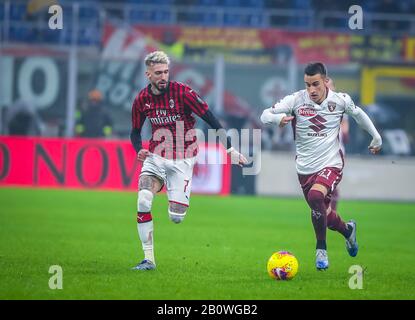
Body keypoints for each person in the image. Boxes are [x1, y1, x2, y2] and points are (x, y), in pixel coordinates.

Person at [130, 51, 248, 270]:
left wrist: (230, 149)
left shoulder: (183, 93)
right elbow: (135, 132)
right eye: (158, 73)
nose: (163, 76)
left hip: (183, 159)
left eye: (166, 71)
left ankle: (171, 188)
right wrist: (138, 149)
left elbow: (211, 119)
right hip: (156, 157)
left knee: (176, 217)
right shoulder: (142, 100)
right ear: (148, 74)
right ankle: (148, 260)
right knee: (144, 200)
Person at [260, 62, 382, 270]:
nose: (311, 90)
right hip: (305, 168)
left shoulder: (340, 100)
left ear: (326, 81)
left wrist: (376, 137)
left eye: (316, 84)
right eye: (307, 85)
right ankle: (348, 231)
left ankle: (321, 249)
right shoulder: (296, 99)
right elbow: (264, 115)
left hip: (332, 162)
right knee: (323, 212)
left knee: (317, 197)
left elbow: (359, 115)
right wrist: (278, 118)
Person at [326, 77, 349, 211]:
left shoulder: (340, 104)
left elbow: (345, 129)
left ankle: (331, 212)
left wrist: (344, 132)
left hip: (336, 150)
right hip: (320, 150)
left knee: (332, 183)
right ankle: (326, 211)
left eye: (330, 86)